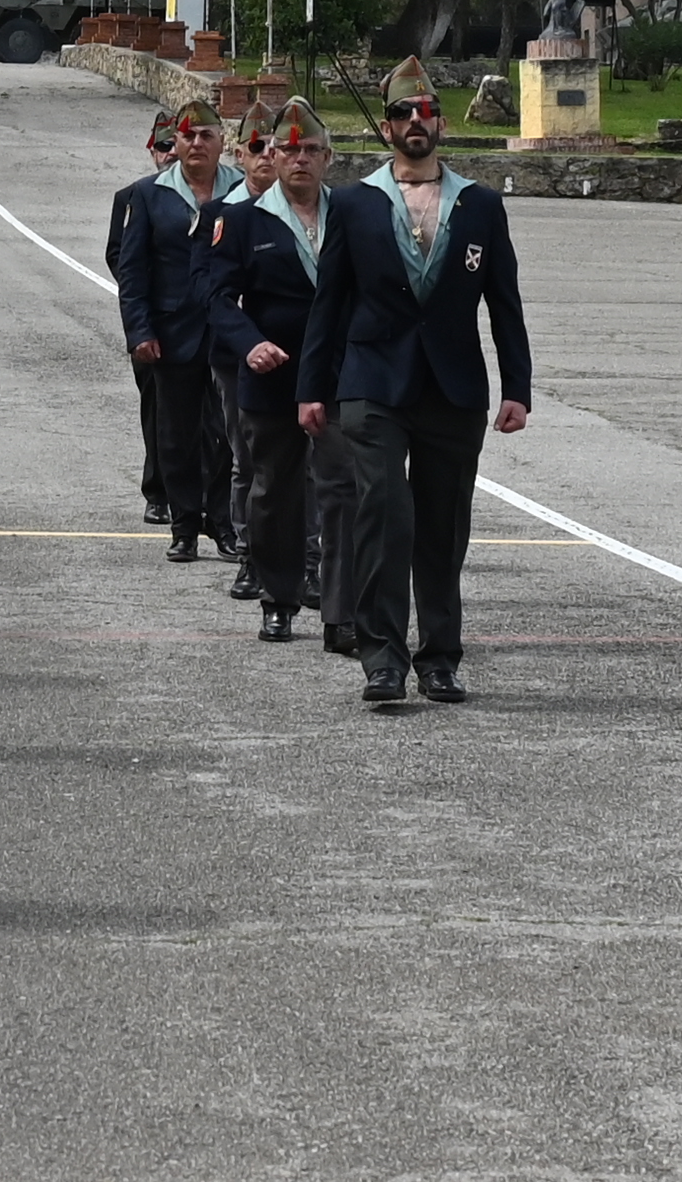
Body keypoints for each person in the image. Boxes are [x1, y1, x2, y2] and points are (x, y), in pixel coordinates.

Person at [297, 63, 534, 712]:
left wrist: (518, 385)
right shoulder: (352, 202)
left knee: (442, 525)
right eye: (404, 114)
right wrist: (311, 388)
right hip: (373, 383)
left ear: (441, 122)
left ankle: (439, 659)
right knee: (385, 515)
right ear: (389, 126)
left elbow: (504, 303)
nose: (415, 123)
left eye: (426, 111)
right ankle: (381, 659)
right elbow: (329, 303)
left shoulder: (480, 205)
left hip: (454, 388)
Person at [198, 105, 340, 646]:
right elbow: (215, 296)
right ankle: (277, 597)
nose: (299, 158)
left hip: (338, 373)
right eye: (287, 149)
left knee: (341, 490)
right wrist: (249, 342)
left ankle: (337, 601)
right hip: (271, 371)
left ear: (327, 158)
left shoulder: (351, 213)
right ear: (272, 156)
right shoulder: (240, 221)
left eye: (310, 150)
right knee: (274, 490)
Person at [105, 97, 232, 561]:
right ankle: (183, 526)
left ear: (223, 142)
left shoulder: (242, 190)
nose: (196, 143)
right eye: (187, 136)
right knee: (175, 435)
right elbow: (132, 270)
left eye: (206, 136)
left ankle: (223, 521)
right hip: (171, 333)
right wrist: (139, 331)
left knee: (227, 435)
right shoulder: (149, 194)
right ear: (174, 143)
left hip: (227, 334)